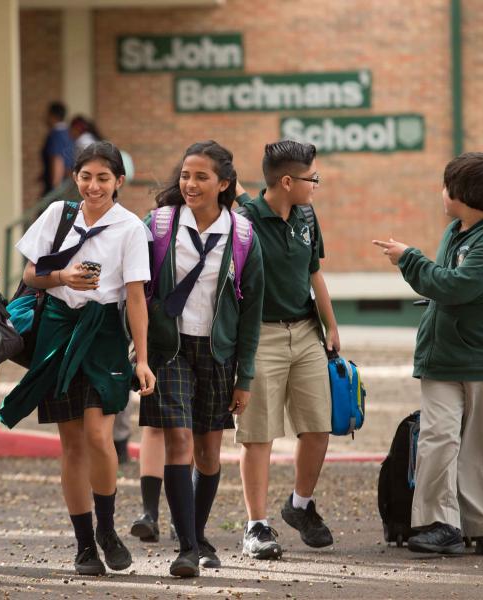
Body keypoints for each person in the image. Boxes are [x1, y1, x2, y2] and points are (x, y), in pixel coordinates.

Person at [0, 141, 156, 576]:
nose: (93, 185)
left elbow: (137, 298)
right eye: (86, 176)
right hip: (57, 327)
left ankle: (107, 528)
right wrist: (62, 276)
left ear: (119, 182)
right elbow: (31, 274)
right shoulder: (58, 216)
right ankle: (85, 544)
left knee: (99, 435)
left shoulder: (129, 228)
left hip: (104, 331)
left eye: (103, 178)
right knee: (71, 443)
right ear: (75, 178)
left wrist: (141, 360)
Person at [373, 152, 483, 557]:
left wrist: (409, 259)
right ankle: (440, 523)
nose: (441, 193)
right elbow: (446, 286)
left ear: (461, 193)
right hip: (442, 359)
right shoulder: (455, 232)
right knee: (438, 438)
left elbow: (457, 286)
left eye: (446, 186)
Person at [140, 140, 264, 577]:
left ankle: (197, 530)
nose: (189, 184)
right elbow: (134, 288)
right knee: (178, 440)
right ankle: (188, 547)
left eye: (201, 177)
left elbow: (252, 314)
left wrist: (244, 376)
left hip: (216, 354)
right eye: (185, 175)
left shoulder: (243, 234)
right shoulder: (157, 224)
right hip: (168, 349)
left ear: (224, 183)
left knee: (209, 452)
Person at [234, 140, 339, 560]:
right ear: (288, 180)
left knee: (319, 427)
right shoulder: (244, 222)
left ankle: (299, 505)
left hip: (306, 331)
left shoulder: (307, 215)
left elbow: (314, 273)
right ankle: (256, 526)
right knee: (258, 434)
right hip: (261, 337)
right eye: (313, 178)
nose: (317, 185)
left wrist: (331, 324)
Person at [41, 101, 75, 195]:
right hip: (68, 184)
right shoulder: (69, 133)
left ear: (53, 116)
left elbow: (57, 160)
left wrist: (56, 190)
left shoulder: (56, 135)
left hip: (59, 187)